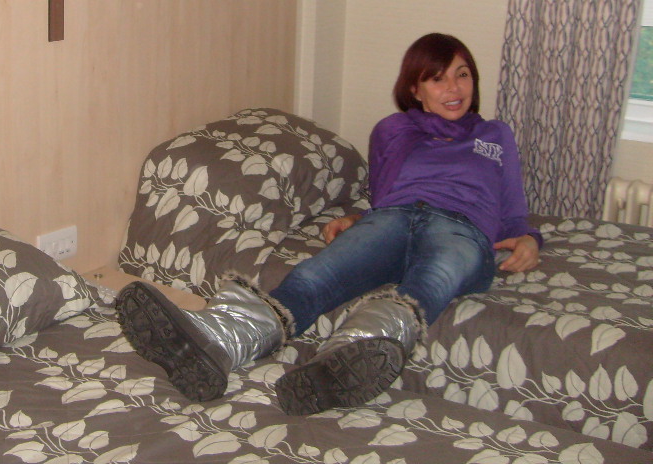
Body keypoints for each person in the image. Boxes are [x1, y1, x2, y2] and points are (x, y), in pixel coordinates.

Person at [116, 33, 542, 415]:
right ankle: (217, 339)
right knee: (315, 276)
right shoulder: (393, 130)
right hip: (395, 217)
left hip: (461, 226)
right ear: (415, 89)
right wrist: (357, 218)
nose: (454, 88)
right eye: (438, 79)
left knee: (434, 278)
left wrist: (530, 238)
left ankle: (344, 363)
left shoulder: (494, 135)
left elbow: (512, 205)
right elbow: (384, 194)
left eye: (462, 75)